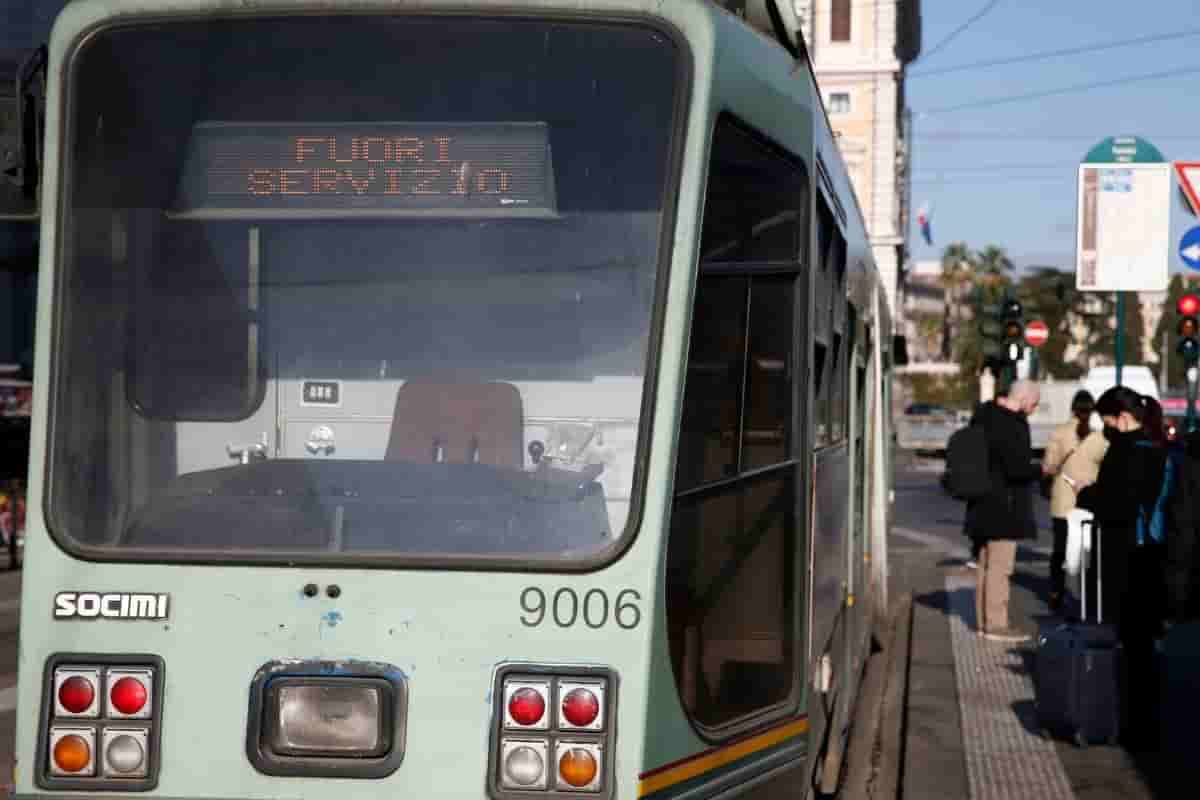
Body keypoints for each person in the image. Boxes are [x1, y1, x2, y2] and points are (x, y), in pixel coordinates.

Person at [1076, 387, 1173, 750]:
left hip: (1127, 556)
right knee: (1146, 643)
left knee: (1131, 644)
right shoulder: (1158, 446)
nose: (1105, 427)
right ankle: (1149, 720)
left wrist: (1087, 493)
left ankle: (1134, 726)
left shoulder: (1124, 451)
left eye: (1106, 419)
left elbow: (1115, 502)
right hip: (1154, 553)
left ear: (1120, 416)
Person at [965, 380, 1042, 642]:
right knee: (1000, 567)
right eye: (1034, 403)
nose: (1034, 408)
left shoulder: (984, 416)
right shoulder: (1012, 424)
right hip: (1004, 507)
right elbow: (1017, 468)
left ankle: (984, 621)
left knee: (985, 566)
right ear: (1022, 398)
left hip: (981, 503)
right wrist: (1040, 470)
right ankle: (996, 625)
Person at [1042, 390, 1095, 612]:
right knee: (1085, 550)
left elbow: (1048, 466)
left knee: (1060, 550)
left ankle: (1056, 591)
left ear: (1072, 408)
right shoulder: (1097, 437)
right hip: (1088, 502)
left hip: (1063, 502)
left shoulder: (1059, 433)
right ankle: (1084, 595)